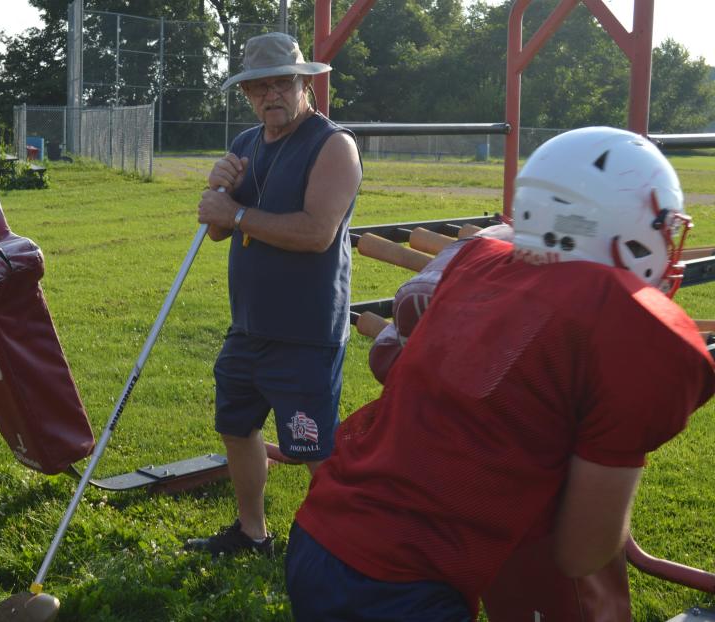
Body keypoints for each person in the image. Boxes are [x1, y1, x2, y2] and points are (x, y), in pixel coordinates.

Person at [285, 126, 715, 621]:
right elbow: (583, 552)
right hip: (400, 584)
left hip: (322, 533)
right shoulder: (631, 326)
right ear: (629, 227)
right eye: (663, 226)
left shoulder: (481, 261)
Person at [185, 32, 362, 556]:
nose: (271, 96)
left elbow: (316, 233)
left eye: (282, 82)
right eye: (258, 88)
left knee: (312, 447)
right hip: (249, 325)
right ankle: (252, 532)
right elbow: (217, 229)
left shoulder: (332, 145)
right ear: (247, 95)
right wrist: (220, 187)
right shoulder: (244, 145)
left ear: (304, 82)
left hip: (306, 331)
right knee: (237, 427)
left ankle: (342, 550)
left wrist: (235, 213)